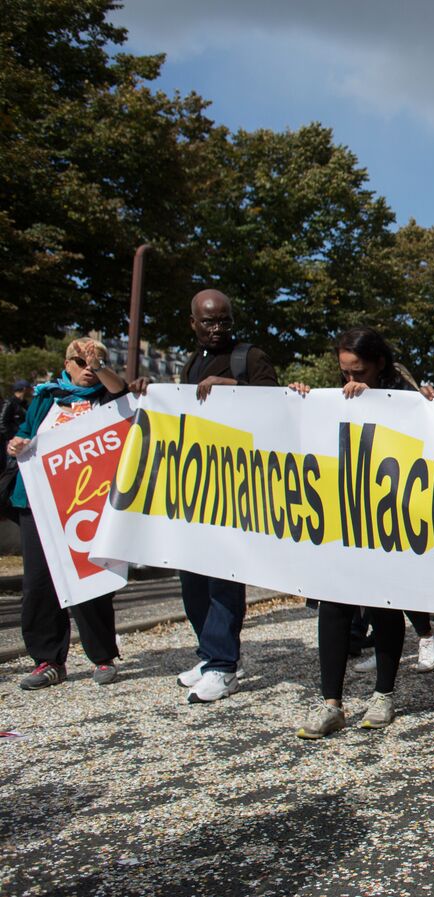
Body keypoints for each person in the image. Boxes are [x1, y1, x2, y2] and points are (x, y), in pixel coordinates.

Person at [130, 289, 279, 703]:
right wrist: (149, 391)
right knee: (192, 577)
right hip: (195, 488)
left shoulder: (248, 358)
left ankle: (223, 665)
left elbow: (277, 405)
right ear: (192, 323)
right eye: (209, 322)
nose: (217, 329)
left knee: (223, 579)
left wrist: (231, 385)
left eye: (224, 321)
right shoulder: (191, 363)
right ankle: (209, 651)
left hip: (234, 486)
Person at [289, 327, 434, 738]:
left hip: (389, 517)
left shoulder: (405, 399)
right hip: (343, 517)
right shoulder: (336, 399)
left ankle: (383, 694)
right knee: (333, 606)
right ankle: (330, 703)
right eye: (343, 372)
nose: (350, 380)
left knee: (385, 605)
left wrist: (426, 403)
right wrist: (303, 396)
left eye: (359, 371)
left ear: (380, 366)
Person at [7, 339, 126, 689]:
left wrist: (102, 365)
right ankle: (48, 660)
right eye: (81, 360)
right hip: (38, 504)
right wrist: (16, 444)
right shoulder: (45, 397)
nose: (88, 366)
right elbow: (24, 436)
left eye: (96, 360)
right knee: (39, 585)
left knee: (90, 579)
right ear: (66, 363)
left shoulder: (106, 397)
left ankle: (102, 656)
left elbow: (121, 394)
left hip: (86, 505)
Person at [1, 380, 31, 451]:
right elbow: (2, 423)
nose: (31, 391)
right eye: (30, 389)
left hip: (25, 440)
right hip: (14, 443)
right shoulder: (9, 403)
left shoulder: (25, 404)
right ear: (24, 389)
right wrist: (13, 438)